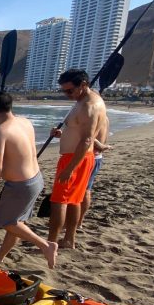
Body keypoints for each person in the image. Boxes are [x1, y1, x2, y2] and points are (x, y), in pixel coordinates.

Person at [0, 92, 58, 268]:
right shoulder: (25, 121)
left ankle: (46, 246)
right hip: (36, 179)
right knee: (17, 221)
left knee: (5, 221)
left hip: (20, 186)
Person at [48, 69, 108, 250]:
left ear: (83, 85)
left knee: (59, 201)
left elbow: (87, 140)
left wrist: (70, 168)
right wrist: (62, 134)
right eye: (64, 91)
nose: (67, 95)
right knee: (74, 200)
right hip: (78, 157)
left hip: (76, 159)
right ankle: (68, 240)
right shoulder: (83, 100)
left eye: (69, 91)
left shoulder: (89, 106)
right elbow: (78, 131)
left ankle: (51, 243)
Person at [77, 116, 112, 228]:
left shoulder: (94, 116)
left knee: (83, 190)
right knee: (86, 189)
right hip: (96, 156)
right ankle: (79, 221)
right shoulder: (105, 117)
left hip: (90, 156)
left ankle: (78, 222)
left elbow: (89, 137)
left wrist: (101, 146)